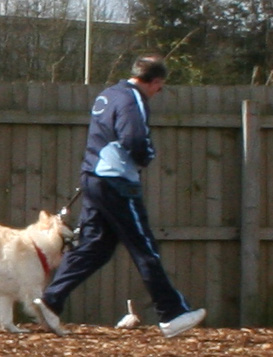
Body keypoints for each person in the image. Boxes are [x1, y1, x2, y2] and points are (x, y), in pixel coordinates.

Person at [34, 54, 206, 338]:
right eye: (160, 87)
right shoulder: (133, 99)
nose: (158, 92)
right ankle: (172, 313)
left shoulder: (108, 95)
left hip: (93, 176)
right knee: (144, 246)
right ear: (155, 81)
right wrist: (147, 155)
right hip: (117, 182)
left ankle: (51, 300)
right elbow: (135, 140)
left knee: (95, 246)